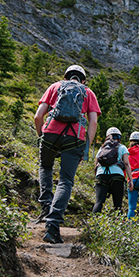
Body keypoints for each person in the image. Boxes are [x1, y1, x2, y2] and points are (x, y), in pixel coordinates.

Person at [34, 65, 101, 244]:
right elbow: (93, 122)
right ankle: (52, 225)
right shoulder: (89, 93)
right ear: (83, 80)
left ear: (65, 77)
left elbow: (38, 116)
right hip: (74, 137)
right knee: (65, 180)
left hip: (50, 132)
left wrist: (43, 137)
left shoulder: (55, 87)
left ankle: (45, 207)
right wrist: (85, 149)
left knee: (45, 167)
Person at [91, 127, 133, 214]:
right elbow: (126, 163)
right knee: (117, 205)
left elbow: (96, 165)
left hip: (101, 175)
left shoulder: (101, 148)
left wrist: (96, 177)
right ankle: (117, 225)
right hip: (117, 176)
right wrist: (130, 180)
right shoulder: (122, 147)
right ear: (119, 137)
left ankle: (92, 225)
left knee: (99, 202)